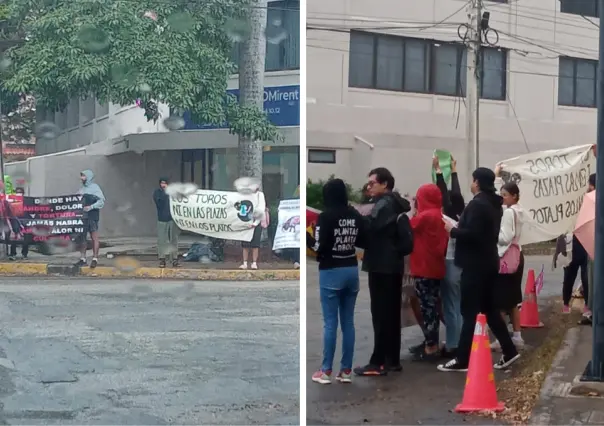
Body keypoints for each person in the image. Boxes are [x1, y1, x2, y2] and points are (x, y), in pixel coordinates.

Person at [438, 167, 520, 372]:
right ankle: (509, 351)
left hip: (475, 264)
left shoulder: (478, 205)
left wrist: (453, 230)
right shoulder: (494, 204)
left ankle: (462, 359)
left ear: (477, 182)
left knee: (469, 311)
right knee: (489, 310)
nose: (471, 183)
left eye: (473, 180)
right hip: (488, 261)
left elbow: (474, 234)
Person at [307, 178, 366, 384]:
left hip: (331, 270)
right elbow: (363, 239)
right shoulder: (354, 214)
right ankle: (346, 370)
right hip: (351, 268)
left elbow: (317, 248)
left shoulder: (326, 217)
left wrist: (305, 236)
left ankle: (325, 371)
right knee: (348, 322)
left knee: (330, 323)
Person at [354, 167, 411, 376]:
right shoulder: (395, 203)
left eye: (372, 183)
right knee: (391, 313)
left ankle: (378, 360)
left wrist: (357, 215)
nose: (369, 187)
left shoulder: (383, 204)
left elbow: (370, 227)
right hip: (392, 264)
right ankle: (391, 359)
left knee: (381, 314)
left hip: (381, 264)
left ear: (384, 183)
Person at [409, 183, 448, 361]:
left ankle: (431, 346)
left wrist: (413, 209)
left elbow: (409, 225)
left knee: (427, 307)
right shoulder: (440, 216)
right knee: (434, 305)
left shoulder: (424, 217)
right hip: (437, 267)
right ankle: (432, 342)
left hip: (423, 268)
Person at [491, 166, 527, 350]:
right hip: (517, 257)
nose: (502, 197)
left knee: (500, 302)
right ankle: (517, 336)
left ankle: (502, 338)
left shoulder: (507, 213)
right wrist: (497, 177)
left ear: (513, 196)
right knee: (513, 300)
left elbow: (505, 236)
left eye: (505, 195)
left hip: (505, 258)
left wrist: (492, 232)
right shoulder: (519, 211)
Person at [433, 156, 465, 358]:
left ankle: (453, 344)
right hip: (462, 264)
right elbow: (454, 194)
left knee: (451, 306)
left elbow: (445, 195)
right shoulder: (463, 216)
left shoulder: (445, 220)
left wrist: (438, 172)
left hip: (450, 263)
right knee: (459, 305)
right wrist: (452, 172)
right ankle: (460, 339)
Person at [563, 173, 596, 325]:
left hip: (579, 239)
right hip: (584, 240)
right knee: (585, 274)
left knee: (578, 273)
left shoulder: (588, 200)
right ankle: (588, 308)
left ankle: (571, 305)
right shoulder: (589, 199)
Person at [77, 170, 105, 269]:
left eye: (83, 176)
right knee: (82, 237)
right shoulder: (81, 189)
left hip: (93, 216)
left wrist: (91, 207)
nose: (81, 178)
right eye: (81, 176)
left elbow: (101, 201)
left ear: (88, 177)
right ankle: (83, 258)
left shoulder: (95, 188)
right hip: (82, 217)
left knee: (94, 237)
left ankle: (95, 259)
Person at [153, 177, 179, 268]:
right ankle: (162, 259)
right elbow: (159, 203)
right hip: (162, 219)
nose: (163, 185)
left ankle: (174, 259)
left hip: (172, 219)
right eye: (162, 183)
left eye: (165, 183)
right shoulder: (157, 193)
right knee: (162, 241)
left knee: (173, 240)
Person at [239, 188, 268, 270]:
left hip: (256, 223)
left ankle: (254, 263)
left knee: (255, 244)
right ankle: (244, 263)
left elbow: (261, 209)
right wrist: (244, 222)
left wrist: (255, 223)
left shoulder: (260, 195)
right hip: (246, 222)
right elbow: (242, 208)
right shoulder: (245, 195)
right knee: (245, 244)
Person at [9, 187, 28, 260]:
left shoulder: (27, 201)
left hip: (25, 221)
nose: (18, 194)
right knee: (14, 237)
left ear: (23, 194)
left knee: (25, 238)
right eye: (17, 192)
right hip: (15, 220)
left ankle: (24, 254)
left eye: (20, 192)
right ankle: (13, 254)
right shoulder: (12, 202)